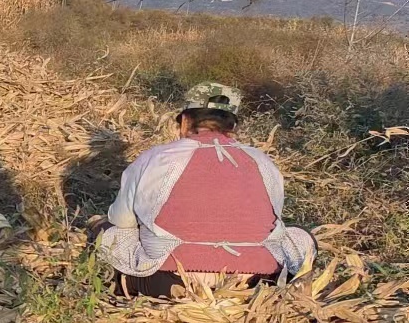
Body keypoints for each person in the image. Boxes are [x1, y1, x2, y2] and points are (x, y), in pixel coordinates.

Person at [97, 82, 316, 298]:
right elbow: (274, 221)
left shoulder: (155, 158)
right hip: (256, 277)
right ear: (233, 127)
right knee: (301, 236)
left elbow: (122, 221)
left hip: (169, 276)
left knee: (105, 231)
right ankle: (257, 288)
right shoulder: (263, 161)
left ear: (185, 121)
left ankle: (172, 289)